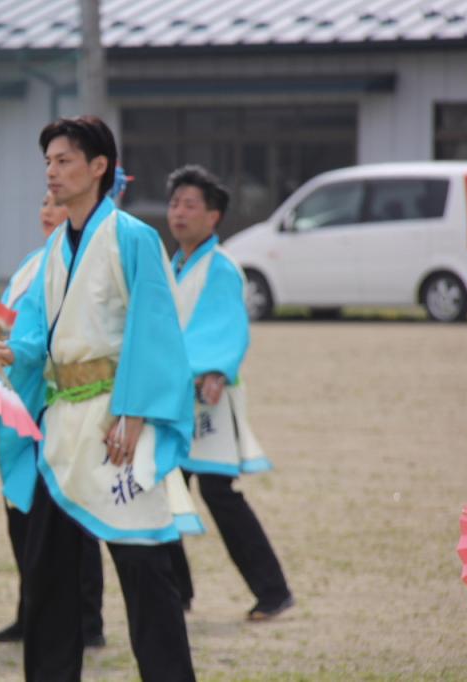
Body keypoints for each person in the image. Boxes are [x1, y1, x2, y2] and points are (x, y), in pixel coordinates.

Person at [0, 116, 196, 681]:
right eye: (48, 162)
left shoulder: (132, 237)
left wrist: (133, 413)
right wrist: (15, 351)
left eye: (64, 161)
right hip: (62, 427)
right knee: (48, 573)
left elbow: (154, 329)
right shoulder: (55, 247)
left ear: (99, 167)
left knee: (144, 566)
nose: (52, 172)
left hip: (116, 422)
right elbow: (37, 330)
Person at [163, 164, 294, 621]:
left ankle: (273, 590)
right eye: (175, 203)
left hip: (208, 398)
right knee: (165, 491)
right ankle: (176, 593)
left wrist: (213, 370)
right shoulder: (173, 265)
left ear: (213, 216)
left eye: (190, 205)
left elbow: (224, 328)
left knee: (219, 494)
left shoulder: (221, 267)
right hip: (175, 398)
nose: (179, 213)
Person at [0, 190, 105, 647]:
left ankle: (88, 620)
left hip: (55, 404)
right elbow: (15, 323)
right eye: (43, 202)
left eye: (56, 201)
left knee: (70, 514)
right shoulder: (31, 264)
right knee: (21, 512)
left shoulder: (85, 264)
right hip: (17, 401)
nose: (47, 210)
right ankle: (31, 610)